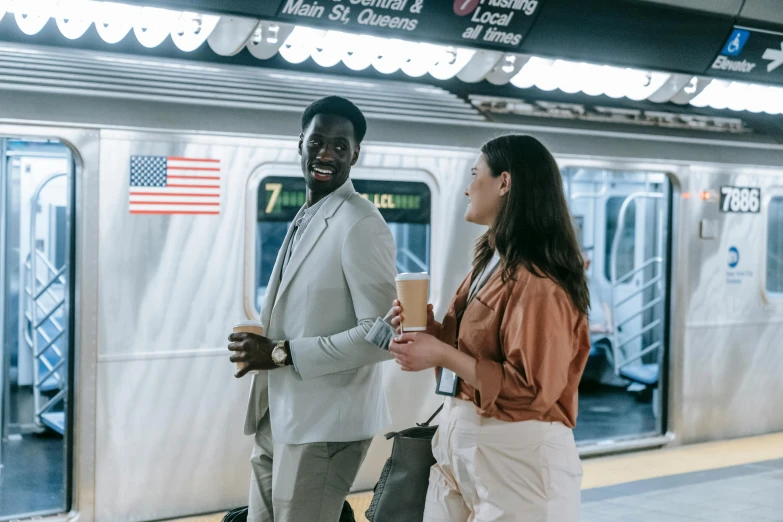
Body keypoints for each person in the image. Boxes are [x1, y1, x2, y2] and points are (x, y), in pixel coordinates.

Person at [389, 134, 591, 521]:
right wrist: (431, 332)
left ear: (505, 182)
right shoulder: (491, 261)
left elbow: (534, 389)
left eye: (474, 174)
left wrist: (442, 353)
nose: (467, 188)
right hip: (465, 447)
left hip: (519, 457)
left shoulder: (540, 281)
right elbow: (476, 351)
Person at [228, 96, 396, 522]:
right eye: (317, 141)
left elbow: (381, 335)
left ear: (355, 154)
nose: (326, 154)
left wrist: (280, 352)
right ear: (299, 143)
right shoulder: (308, 214)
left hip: (324, 428)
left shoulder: (361, 222)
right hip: (278, 415)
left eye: (340, 147)